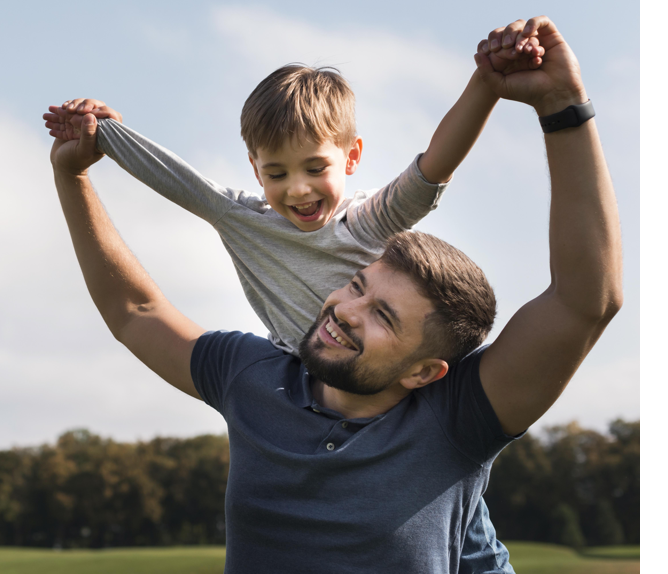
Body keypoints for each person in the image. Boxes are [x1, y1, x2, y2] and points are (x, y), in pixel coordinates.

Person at [50, 14, 621, 573]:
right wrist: (74, 175)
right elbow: (135, 311)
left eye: (384, 317)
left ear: (426, 371)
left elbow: (583, 301)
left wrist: (561, 105)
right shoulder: (252, 378)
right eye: (355, 285)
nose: (344, 310)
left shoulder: (457, 420)